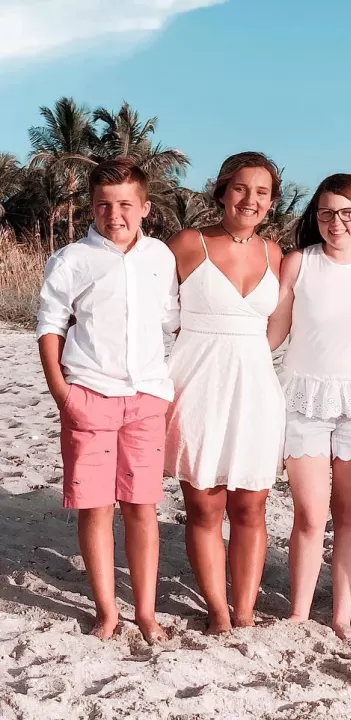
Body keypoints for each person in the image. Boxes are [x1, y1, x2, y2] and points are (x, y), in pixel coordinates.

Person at [36, 158, 177, 644]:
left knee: (142, 507)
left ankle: (146, 612)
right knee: (95, 508)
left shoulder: (161, 257)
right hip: (89, 395)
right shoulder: (71, 259)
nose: (113, 214)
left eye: (124, 204)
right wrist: (63, 393)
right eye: (103, 205)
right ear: (91, 208)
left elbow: (169, 322)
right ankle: (106, 611)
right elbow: (51, 325)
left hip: (146, 399)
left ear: (144, 207)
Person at [266, 174, 351, 639]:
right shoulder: (298, 263)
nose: (336, 222)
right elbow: (276, 330)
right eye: (326, 213)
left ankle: (341, 616)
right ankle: (299, 614)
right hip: (304, 398)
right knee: (309, 514)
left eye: (347, 212)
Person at [165, 152, 286, 634]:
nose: (250, 199)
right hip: (197, 382)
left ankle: (246, 610)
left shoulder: (276, 254)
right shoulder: (187, 244)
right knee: (205, 504)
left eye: (261, 192)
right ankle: (217, 610)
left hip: (255, 387)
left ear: (271, 202)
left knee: (251, 506)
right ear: (221, 191)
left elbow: (277, 325)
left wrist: (253, 355)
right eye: (240, 188)